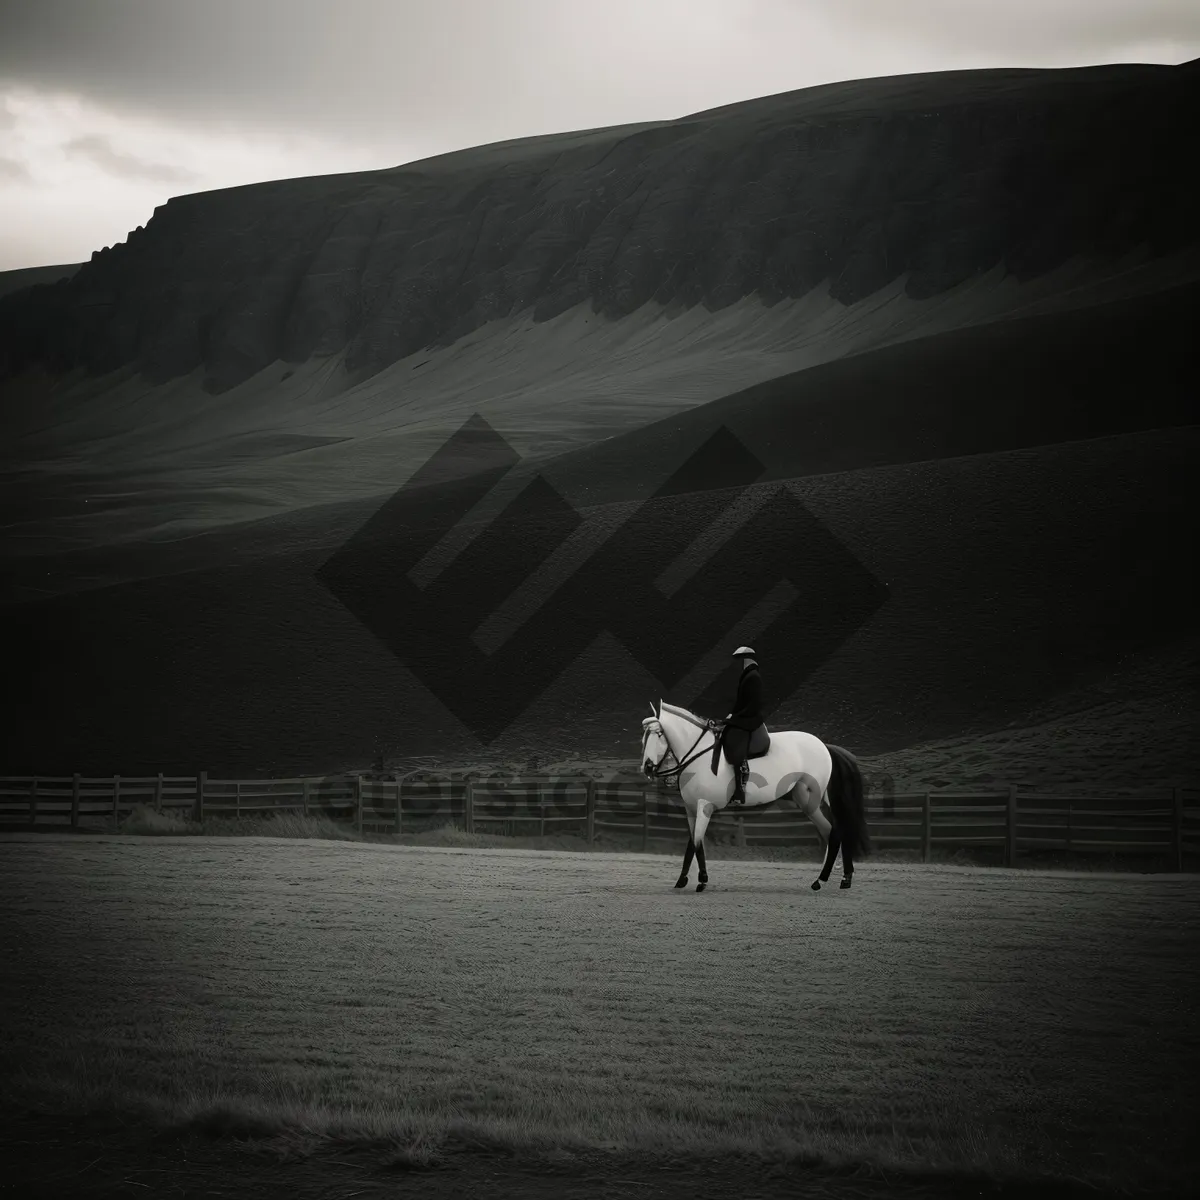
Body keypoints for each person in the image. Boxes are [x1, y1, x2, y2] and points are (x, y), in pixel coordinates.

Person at [722, 645, 765, 806]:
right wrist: (732, 715)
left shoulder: (753, 676)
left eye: (739, 660)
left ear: (746, 659)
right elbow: (740, 702)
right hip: (743, 716)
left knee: (735, 741)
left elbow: (753, 704)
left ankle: (740, 790)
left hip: (750, 719)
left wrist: (735, 718)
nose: (737, 664)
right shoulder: (748, 675)